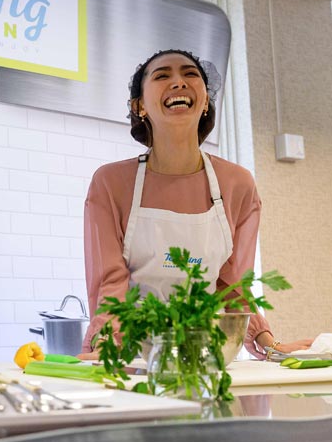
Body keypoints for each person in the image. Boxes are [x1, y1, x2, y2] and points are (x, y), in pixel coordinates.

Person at [82, 48, 312, 360]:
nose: (178, 82)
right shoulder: (110, 183)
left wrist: (267, 342)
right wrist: (105, 349)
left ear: (204, 100)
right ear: (139, 106)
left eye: (190, 74)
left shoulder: (238, 185)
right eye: (162, 75)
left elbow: (232, 285)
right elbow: (110, 283)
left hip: (204, 356)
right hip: (133, 355)